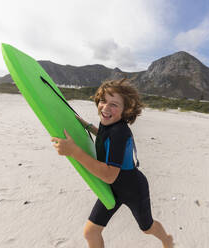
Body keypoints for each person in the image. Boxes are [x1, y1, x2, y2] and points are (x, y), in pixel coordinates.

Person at [51, 79, 173, 248]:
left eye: (114, 104)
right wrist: (87, 125)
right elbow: (103, 135)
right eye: (103, 101)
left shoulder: (119, 132)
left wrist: (74, 151)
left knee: (147, 227)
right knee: (91, 232)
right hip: (114, 190)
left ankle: (167, 240)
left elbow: (109, 175)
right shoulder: (109, 123)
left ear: (126, 110)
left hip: (133, 190)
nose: (106, 108)